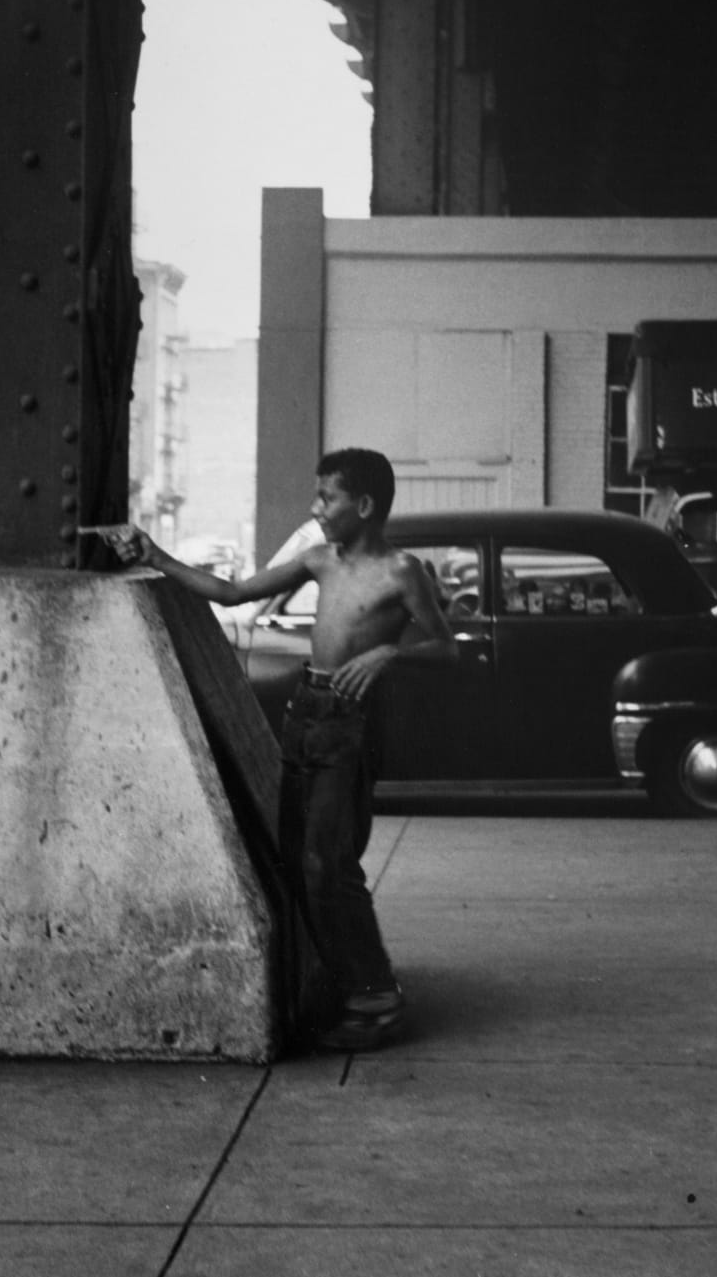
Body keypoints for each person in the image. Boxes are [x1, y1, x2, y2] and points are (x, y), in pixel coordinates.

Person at [109, 448, 457, 1052]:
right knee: (300, 861)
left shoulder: (402, 572)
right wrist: (154, 556)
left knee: (329, 866)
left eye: (328, 498)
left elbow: (446, 649)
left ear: (365, 505)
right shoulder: (319, 559)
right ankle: (351, 983)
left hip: (349, 727)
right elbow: (233, 592)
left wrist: (388, 652)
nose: (315, 508)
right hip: (306, 715)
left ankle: (375, 997)